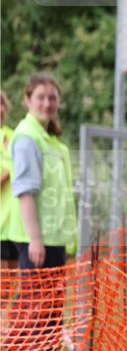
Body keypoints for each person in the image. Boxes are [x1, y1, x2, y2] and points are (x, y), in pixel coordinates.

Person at [8, 73, 77, 270]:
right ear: (27, 100)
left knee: (50, 292)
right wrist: (36, 239)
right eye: (41, 97)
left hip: (53, 239)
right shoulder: (27, 137)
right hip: (37, 241)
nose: (47, 103)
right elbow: (25, 192)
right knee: (35, 292)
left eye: (52, 98)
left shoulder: (50, 140)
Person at [1, 90, 18, 274]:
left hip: (16, 225)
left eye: (1, 103)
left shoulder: (14, 136)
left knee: (15, 283)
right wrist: (13, 169)